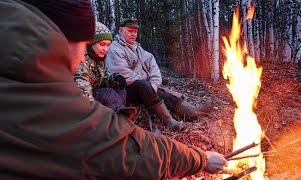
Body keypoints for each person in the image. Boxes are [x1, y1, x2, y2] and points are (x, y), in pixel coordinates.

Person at [0, 0, 227, 179]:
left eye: (135, 31)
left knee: (149, 87)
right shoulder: (49, 91)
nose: (133, 34)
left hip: (141, 87)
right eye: (84, 44)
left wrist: (146, 82)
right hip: (116, 96)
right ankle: (134, 118)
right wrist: (199, 159)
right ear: (66, 39)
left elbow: (151, 67)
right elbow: (122, 149)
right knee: (125, 91)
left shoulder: (23, 75)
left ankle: (185, 112)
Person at [106, 18, 212, 131]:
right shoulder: (114, 48)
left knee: (162, 93)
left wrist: (155, 83)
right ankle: (169, 121)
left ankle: (193, 112)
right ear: (121, 31)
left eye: (135, 31)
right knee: (145, 86)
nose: (133, 34)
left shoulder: (137, 48)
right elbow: (122, 73)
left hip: (144, 87)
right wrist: (148, 84)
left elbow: (152, 62)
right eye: (130, 31)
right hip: (126, 89)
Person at [74, 21, 127, 112]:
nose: (105, 49)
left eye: (108, 45)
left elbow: (105, 77)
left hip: (92, 94)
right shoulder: (80, 60)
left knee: (120, 90)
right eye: (102, 44)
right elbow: (83, 94)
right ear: (91, 43)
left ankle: (118, 114)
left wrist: (115, 78)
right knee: (108, 93)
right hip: (77, 102)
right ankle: (116, 119)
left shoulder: (99, 58)